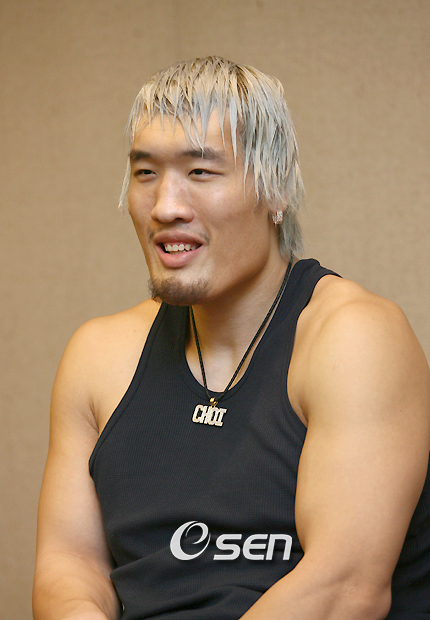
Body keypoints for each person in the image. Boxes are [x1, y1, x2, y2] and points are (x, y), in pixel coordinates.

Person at [33, 56, 430, 620]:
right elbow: (69, 564)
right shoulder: (99, 356)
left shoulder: (354, 338)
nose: (166, 207)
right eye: (145, 173)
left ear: (276, 188)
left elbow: (344, 588)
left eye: (200, 172)